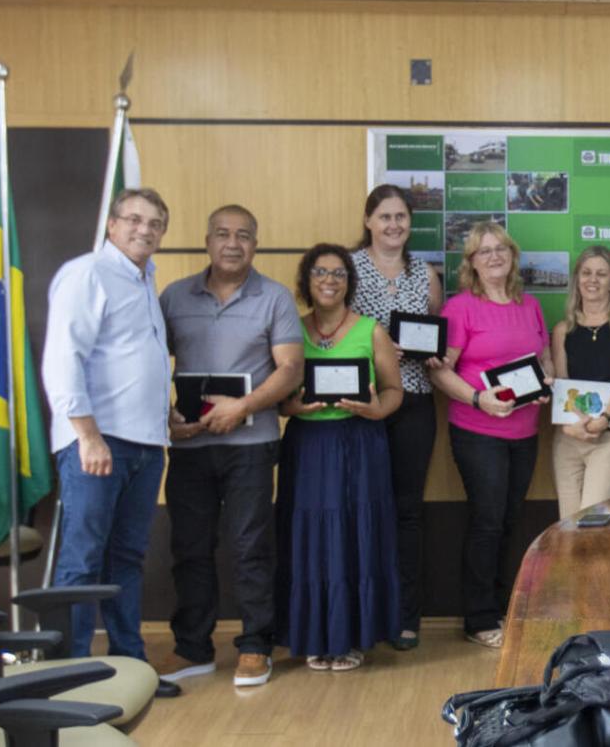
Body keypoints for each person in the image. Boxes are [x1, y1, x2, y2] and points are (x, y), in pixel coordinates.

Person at [156, 205, 303, 688]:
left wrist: (242, 408)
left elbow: (290, 369)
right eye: (223, 234)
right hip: (190, 446)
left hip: (252, 446)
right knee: (189, 547)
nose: (232, 243)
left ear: (255, 245)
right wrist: (164, 415)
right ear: (207, 241)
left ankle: (256, 645)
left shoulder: (274, 297)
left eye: (243, 235)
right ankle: (192, 648)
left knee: (250, 546)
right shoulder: (174, 297)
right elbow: (148, 363)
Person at [41, 188, 179, 698]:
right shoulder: (88, 274)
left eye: (155, 223)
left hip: (144, 445)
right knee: (82, 560)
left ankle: (129, 670)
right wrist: (88, 435)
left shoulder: (144, 279)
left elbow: (129, 359)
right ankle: (68, 677)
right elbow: (63, 360)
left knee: (126, 559)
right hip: (97, 445)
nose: (145, 229)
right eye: (135, 219)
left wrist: (165, 413)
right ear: (112, 224)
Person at [276, 244, 404, 671]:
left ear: (349, 282)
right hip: (308, 446)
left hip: (359, 442)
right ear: (306, 280)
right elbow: (280, 400)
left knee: (353, 533)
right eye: (320, 272)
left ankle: (350, 638)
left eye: (338, 273)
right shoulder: (290, 330)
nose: (329, 280)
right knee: (310, 537)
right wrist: (293, 407)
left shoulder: (372, 331)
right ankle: (315, 636)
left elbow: (394, 390)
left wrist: (377, 411)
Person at [429, 222, 552, 650]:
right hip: (477, 430)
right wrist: (478, 399)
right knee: (487, 520)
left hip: (525, 431)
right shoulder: (460, 308)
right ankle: (479, 617)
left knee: (511, 520)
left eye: (501, 248)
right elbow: (439, 371)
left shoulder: (530, 305)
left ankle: (505, 609)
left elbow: (544, 359)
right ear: (472, 263)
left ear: (513, 256)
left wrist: (547, 382)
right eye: (484, 251)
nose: (494, 256)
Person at [350, 185, 444, 651]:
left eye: (401, 217)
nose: (393, 225)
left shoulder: (425, 274)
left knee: (408, 511)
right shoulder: (347, 268)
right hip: (363, 403)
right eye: (384, 216)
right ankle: (362, 614)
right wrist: (380, 350)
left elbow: (436, 333)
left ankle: (406, 616)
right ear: (368, 221)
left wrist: (433, 353)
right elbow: (334, 332)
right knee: (362, 508)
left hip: (415, 402)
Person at [550, 246, 610, 518]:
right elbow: (562, 385)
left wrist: (604, 419)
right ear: (577, 279)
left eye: (601, 274)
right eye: (586, 273)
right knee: (568, 523)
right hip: (569, 434)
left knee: (596, 522)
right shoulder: (562, 329)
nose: (593, 280)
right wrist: (572, 427)